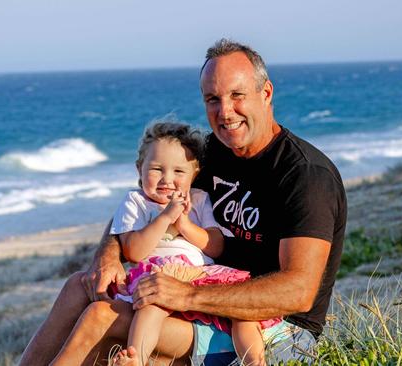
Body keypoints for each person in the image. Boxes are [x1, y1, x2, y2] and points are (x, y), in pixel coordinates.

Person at [19, 39, 346, 365]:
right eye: (212, 99)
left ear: (266, 93)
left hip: (273, 329)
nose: (225, 112)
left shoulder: (305, 175)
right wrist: (106, 257)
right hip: (201, 299)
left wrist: (185, 294)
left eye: (236, 95)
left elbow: (298, 292)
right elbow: (144, 201)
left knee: (102, 318)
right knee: (80, 287)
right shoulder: (212, 153)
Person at [107, 121, 280, 366]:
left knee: (242, 309)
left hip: (201, 274)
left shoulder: (199, 199)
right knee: (152, 305)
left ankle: (254, 360)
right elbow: (134, 251)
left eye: (179, 172)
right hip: (159, 274)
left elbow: (216, 245)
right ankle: (137, 357)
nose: (167, 179)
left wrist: (185, 224)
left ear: (194, 174)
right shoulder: (135, 202)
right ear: (139, 169)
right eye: (156, 169)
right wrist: (166, 217)